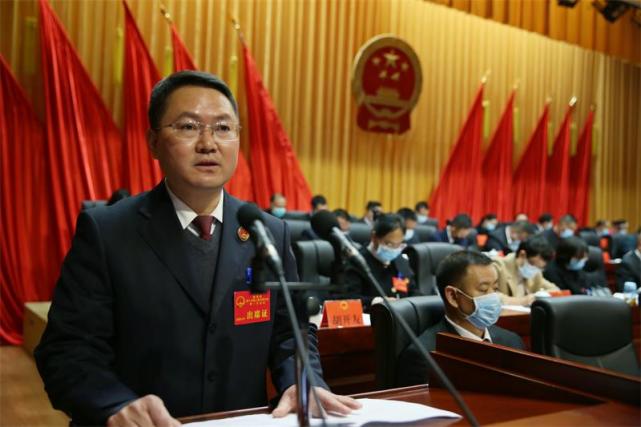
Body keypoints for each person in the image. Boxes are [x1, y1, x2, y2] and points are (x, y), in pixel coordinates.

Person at [34, 71, 359, 426]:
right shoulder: (107, 232)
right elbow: (66, 350)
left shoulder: (268, 232)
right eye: (188, 127)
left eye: (223, 128)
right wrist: (114, 405)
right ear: (153, 142)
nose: (208, 143)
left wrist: (302, 380)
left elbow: (290, 334)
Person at [396, 251, 524, 386]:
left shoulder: (512, 342)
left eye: (495, 288)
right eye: (483, 289)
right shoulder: (426, 356)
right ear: (453, 296)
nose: (493, 297)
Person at [342, 213, 421, 310]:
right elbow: (348, 299)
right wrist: (376, 301)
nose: (394, 249)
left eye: (398, 245)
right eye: (389, 244)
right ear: (374, 237)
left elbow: (413, 291)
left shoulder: (400, 260)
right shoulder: (357, 261)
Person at [494, 236, 559, 306]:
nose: (534, 270)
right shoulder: (498, 266)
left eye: (539, 267)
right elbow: (490, 296)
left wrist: (540, 295)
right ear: (522, 254)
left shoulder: (536, 272)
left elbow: (555, 289)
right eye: (532, 264)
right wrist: (522, 301)